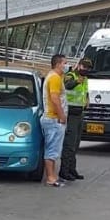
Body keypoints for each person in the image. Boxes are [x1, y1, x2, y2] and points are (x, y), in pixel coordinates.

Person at [58, 57, 90, 181]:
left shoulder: (85, 78)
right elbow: (67, 86)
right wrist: (77, 81)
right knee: (69, 144)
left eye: (87, 68)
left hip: (80, 113)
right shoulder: (70, 75)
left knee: (76, 144)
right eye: (84, 67)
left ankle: (72, 169)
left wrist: (88, 99)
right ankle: (64, 171)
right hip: (70, 114)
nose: (85, 69)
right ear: (78, 65)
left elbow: (85, 91)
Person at [41, 54, 68, 187]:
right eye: (64, 63)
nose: (66, 66)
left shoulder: (54, 77)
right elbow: (55, 98)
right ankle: (50, 177)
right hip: (53, 119)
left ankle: (53, 175)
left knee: (54, 149)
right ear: (58, 64)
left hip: (52, 118)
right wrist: (61, 115)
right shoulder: (55, 78)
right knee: (52, 149)